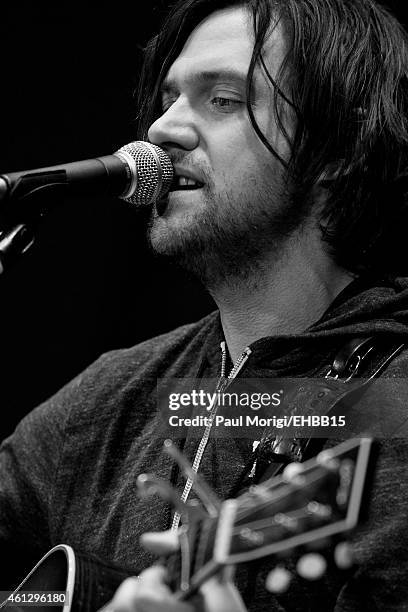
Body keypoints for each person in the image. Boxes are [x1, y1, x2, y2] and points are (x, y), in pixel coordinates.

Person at [2, 0, 408, 610]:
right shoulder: (104, 402)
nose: (162, 129)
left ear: (341, 146)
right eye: (168, 98)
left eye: (222, 99)